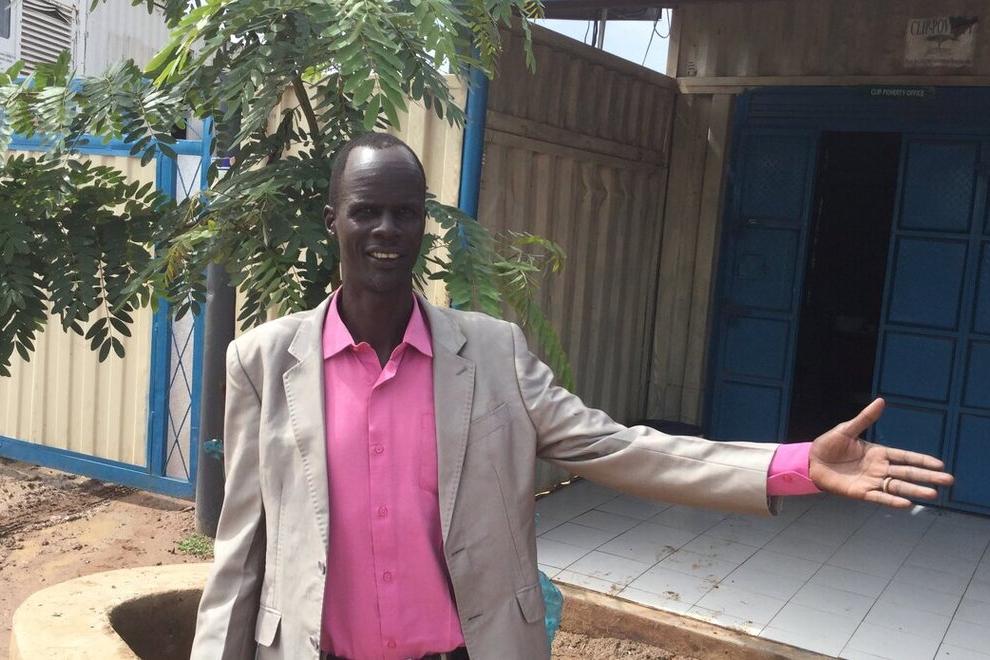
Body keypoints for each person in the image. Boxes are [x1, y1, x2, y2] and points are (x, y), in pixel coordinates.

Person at [190, 133, 954, 660]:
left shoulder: (492, 354)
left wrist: (792, 466)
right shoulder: (263, 362)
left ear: (424, 223)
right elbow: (240, 556)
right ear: (334, 220)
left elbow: (623, 449)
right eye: (366, 210)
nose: (387, 229)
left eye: (406, 212)